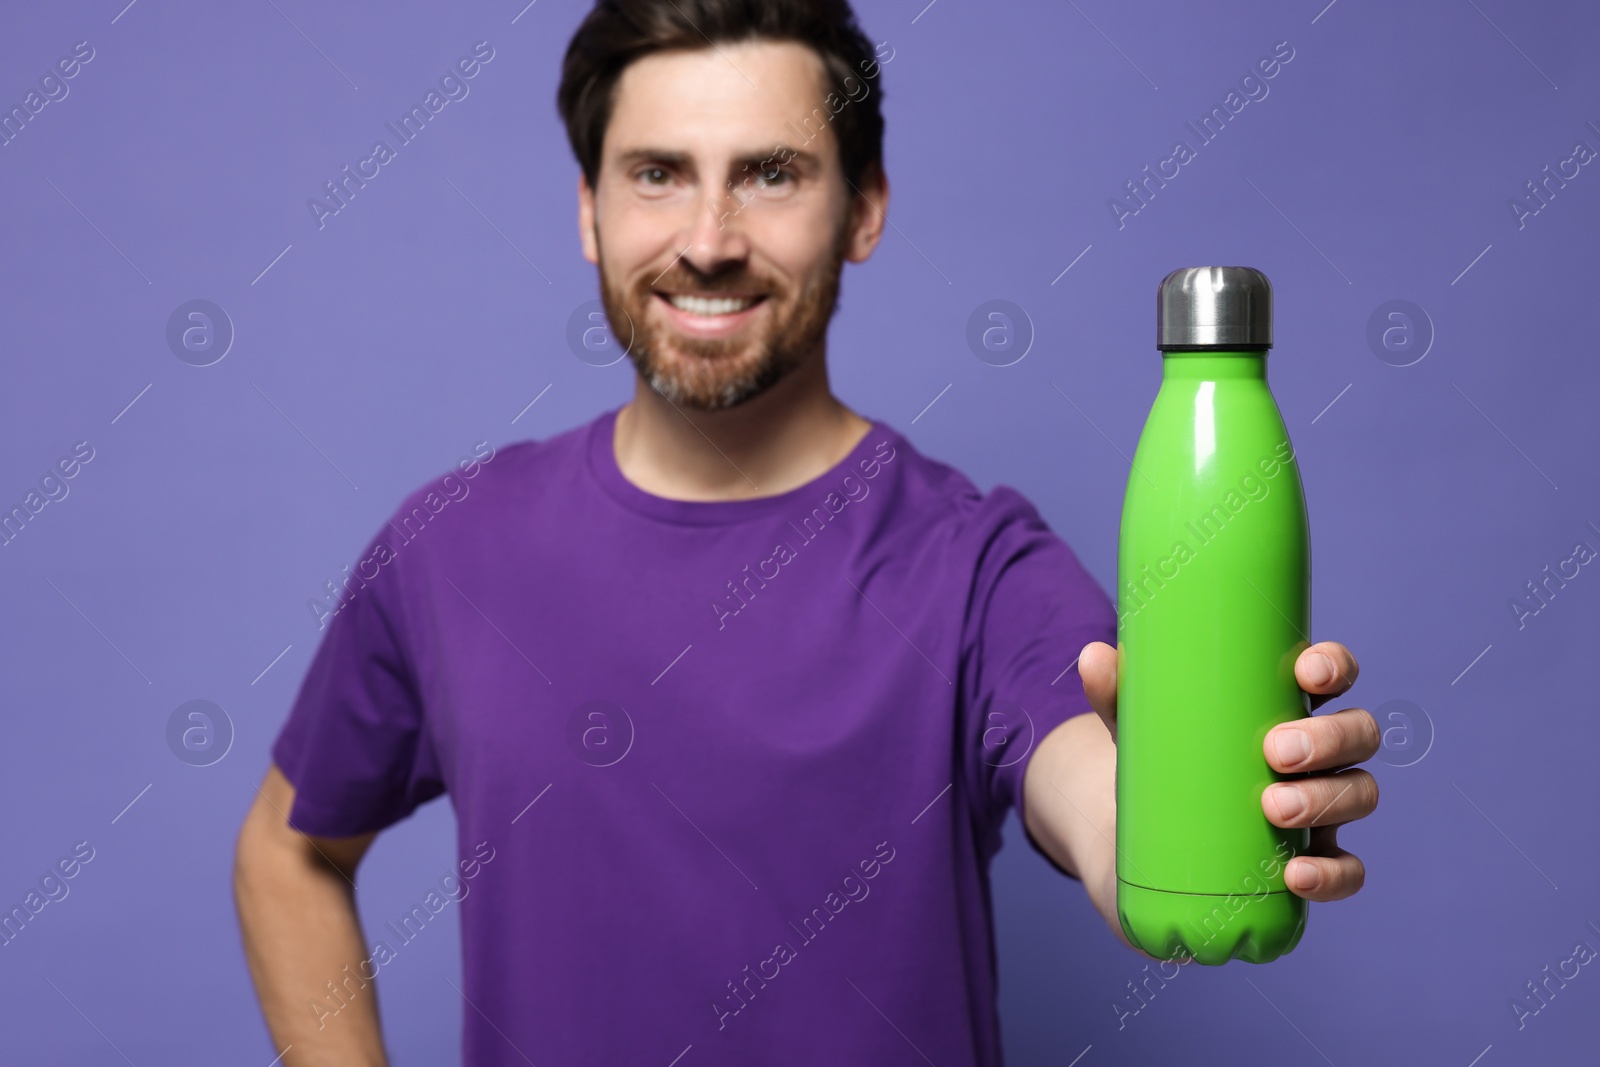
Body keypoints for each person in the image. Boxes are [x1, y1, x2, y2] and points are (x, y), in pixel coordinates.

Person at [232, 2, 1380, 1063]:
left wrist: (1195, 807)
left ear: (864, 208)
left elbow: (1098, 787)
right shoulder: (449, 548)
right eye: (657, 175)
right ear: (590, 210)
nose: (710, 237)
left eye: (771, 174)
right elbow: (287, 850)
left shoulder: (977, 568)